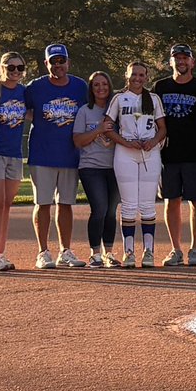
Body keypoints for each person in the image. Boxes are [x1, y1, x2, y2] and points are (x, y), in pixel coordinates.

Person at [24, 43, 89, 269]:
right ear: (46, 64)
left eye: (62, 61)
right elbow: (16, 106)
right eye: (53, 61)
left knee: (66, 203)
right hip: (42, 154)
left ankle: (66, 250)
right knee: (43, 203)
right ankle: (43, 251)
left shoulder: (80, 86)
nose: (58, 65)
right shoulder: (35, 87)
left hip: (70, 153)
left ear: (68, 63)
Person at [153, 44, 196, 267]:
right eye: (177, 58)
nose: (181, 61)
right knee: (171, 200)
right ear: (171, 62)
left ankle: (195, 248)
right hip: (168, 154)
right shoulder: (160, 87)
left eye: (185, 57)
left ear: (192, 62)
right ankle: (175, 249)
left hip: (194, 153)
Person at [106, 61, 167, 268]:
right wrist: (126, 142)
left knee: (148, 205)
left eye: (141, 75)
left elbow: (162, 128)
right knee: (129, 205)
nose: (137, 79)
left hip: (150, 153)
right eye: (134, 75)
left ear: (146, 77)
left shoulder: (154, 98)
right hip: (125, 153)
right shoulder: (119, 98)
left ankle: (148, 252)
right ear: (127, 75)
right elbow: (108, 126)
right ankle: (129, 252)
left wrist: (153, 141)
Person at [0, 51, 27, 271]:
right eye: (11, 68)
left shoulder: (23, 91)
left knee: (6, 205)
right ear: (2, 68)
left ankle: (0, 253)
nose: (16, 72)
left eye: (20, 68)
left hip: (15, 154)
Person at [72, 71, 121, 268]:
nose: (101, 88)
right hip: (91, 167)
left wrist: (113, 141)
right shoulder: (85, 110)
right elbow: (77, 141)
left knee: (110, 211)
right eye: (96, 85)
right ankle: (95, 253)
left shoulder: (117, 109)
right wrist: (98, 130)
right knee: (99, 209)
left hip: (115, 167)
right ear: (91, 89)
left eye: (104, 85)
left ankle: (109, 253)